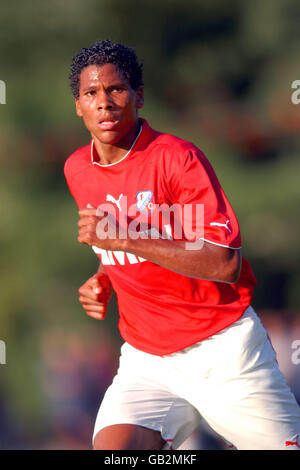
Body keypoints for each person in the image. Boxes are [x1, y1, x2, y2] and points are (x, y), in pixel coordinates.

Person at [64, 39, 300, 450]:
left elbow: (223, 261)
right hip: (147, 359)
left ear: (138, 96)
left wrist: (121, 237)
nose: (104, 102)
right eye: (91, 93)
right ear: (78, 105)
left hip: (222, 351)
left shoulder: (177, 160)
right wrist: (104, 276)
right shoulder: (78, 169)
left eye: (116, 89)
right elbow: (119, 249)